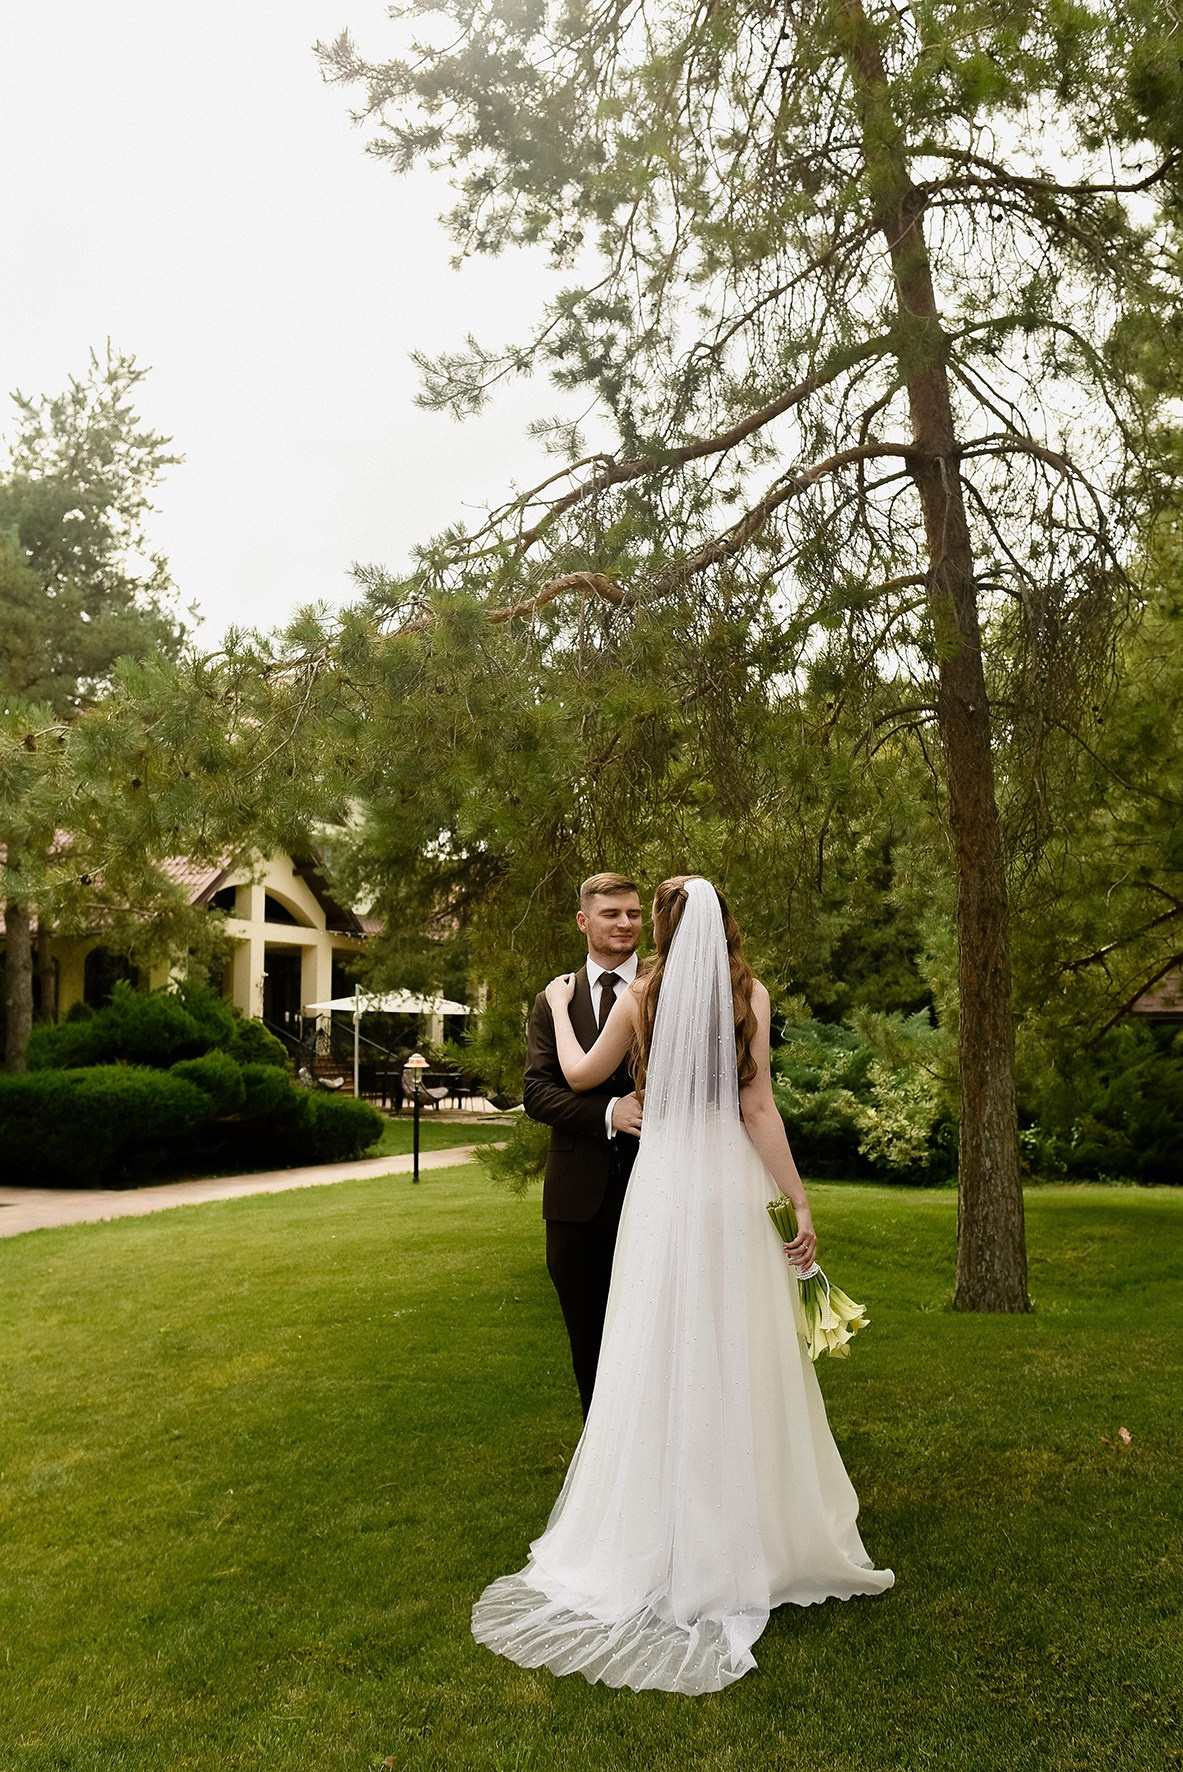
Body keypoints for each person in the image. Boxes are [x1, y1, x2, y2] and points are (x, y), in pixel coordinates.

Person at [474, 875, 893, 1694]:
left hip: (661, 1190)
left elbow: (579, 1070)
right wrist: (796, 1200)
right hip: (727, 1186)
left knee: (652, 1341)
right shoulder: (750, 994)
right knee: (737, 1343)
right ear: (724, 923)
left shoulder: (642, 993)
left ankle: (657, 1517)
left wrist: (562, 1009)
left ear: (661, 928)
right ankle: (754, 1524)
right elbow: (758, 1108)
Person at [523, 872, 645, 1419]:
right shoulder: (555, 999)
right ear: (583, 921)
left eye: (634, 914)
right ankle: (600, 1457)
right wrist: (608, 1114)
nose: (625, 924)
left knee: (654, 1330)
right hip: (577, 1201)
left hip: (657, 1185)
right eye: (611, 914)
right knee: (588, 1337)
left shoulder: (667, 989)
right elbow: (538, 1093)